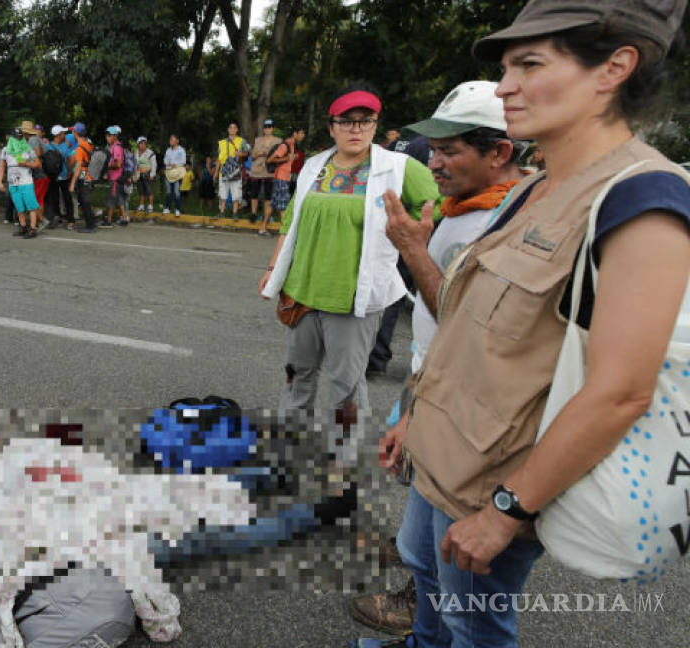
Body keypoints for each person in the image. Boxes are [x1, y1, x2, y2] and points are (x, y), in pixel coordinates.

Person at [376, 3, 690, 646]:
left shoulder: (644, 199)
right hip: (440, 453)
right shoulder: (531, 188)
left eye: (529, 64)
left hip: (494, 482)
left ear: (615, 68)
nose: (504, 86)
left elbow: (620, 393)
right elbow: (469, 330)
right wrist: (413, 413)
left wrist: (505, 512)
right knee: (427, 586)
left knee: (475, 627)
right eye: (506, 67)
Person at [347, 80, 526, 639]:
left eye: (450, 150)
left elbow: (468, 325)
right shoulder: (464, 207)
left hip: (479, 436)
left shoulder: (511, 222)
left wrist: (414, 252)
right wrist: (412, 412)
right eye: (433, 147)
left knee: (472, 606)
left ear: (500, 152)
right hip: (434, 401)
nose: (433, 160)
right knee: (421, 557)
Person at [259, 84, 439, 441]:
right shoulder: (314, 166)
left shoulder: (398, 167)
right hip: (302, 292)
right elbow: (291, 220)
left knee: (346, 386)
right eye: (347, 122)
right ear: (332, 127)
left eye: (365, 121)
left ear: (375, 125)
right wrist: (272, 270)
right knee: (298, 376)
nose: (356, 129)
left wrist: (412, 238)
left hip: (353, 297)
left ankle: (343, 463)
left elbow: (437, 204)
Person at [0, 125, 42, 239]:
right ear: (10, 137)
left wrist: (26, 164)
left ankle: (33, 229)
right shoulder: (5, 150)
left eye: (20, 137)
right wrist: (0, 182)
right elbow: (2, 166)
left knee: (31, 206)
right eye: (16, 137)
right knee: (19, 207)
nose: (18, 139)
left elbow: (38, 163)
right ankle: (23, 227)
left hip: (26, 181)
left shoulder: (27, 148)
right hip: (13, 182)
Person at [262, 124, 305, 237]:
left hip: (281, 178)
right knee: (284, 205)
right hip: (282, 178)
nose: (303, 135)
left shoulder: (292, 145)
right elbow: (270, 159)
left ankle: (262, 229)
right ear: (295, 134)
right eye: (301, 133)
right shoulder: (286, 145)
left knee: (273, 204)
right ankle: (287, 234)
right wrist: (288, 158)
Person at [214, 122, 249, 219]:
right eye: (230, 127)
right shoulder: (221, 143)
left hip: (236, 171)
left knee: (236, 193)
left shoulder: (242, 141)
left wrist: (240, 154)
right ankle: (222, 212)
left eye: (234, 128)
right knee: (222, 193)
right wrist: (216, 172)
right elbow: (219, 159)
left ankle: (235, 213)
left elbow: (247, 153)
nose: (232, 129)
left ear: (237, 130)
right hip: (224, 171)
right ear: (228, 130)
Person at [249, 118, 280, 226]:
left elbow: (281, 155)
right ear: (263, 129)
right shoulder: (258, 140)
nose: (268, 129)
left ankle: (266, 216)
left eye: (270, 127)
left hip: (270, 171)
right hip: (257, 170)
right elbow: (252, 156)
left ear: (273, 128)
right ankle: (253, 213)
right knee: (254, 193)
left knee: (268, 195)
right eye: (266, 127)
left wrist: (271, 155)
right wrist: (260, 153)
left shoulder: (278, 141)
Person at [68, 122, 97, 233]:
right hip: (90, 177)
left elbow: (78, 167)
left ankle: (90, 226)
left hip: (84, 178)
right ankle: (91, 223)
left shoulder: (80, 149)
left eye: (73, 131)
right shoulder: (89, 144)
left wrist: (72, 183)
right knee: (85, 201)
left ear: (75, 133)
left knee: (84, 202)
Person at [46, 124, 76, 230]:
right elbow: (72, 159)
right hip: (63, 176)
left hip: (52, 176)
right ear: (58, 135)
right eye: (63, 133)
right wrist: (69, 171)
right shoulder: (65, 146)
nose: (65, 135)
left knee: (54, 198)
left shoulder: (47, 145)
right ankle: (71, 221)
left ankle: (56, 217)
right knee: (67, 198)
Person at [102, 125, 127, 227]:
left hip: (115, 178)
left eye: (109, 136)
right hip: (117, 178)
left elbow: (118, 164)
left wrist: (107, 165)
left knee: (111, 199)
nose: (107, 138)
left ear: (115, 136)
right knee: (119, 198)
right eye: (106, 135)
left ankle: (108, 220)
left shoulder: (116, 147)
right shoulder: (116, 146)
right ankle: (124, 219)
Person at [162, 134, 186, 215]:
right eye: (170, 139)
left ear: (177, 141)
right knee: (168, 191)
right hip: (168, 172)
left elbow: (183, 161)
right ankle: (168, 208)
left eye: (172, 139)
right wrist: (169, 164)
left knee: (176, 191)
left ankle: (177, 209)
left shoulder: (181, 150)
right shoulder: (168, 150)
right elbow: (165, 161)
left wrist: (174, 164)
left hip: (178, 173)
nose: (170, 140)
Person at [133, 136, 157, 214]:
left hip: (147, 174)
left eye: (144, 143)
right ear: (138, 144)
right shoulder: (136, 152)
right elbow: (135, 163)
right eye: (141, 143)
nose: (142, 145)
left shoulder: (150, 153)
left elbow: (154, 164)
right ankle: (141, 205)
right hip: (139, 174)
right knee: (141, 191)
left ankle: (150, 206)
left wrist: (152, 174)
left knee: (149, 190)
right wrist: (135, 173)